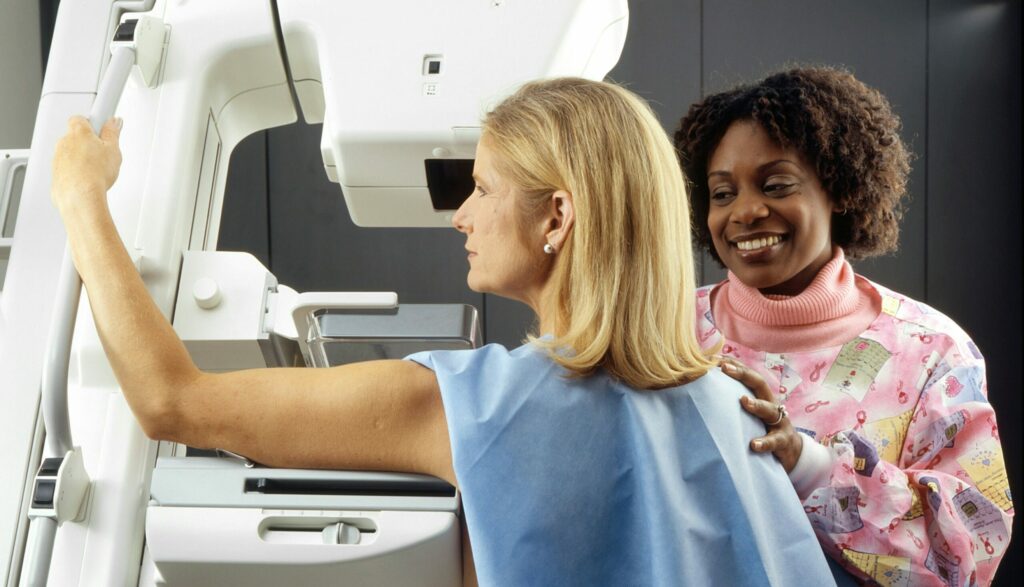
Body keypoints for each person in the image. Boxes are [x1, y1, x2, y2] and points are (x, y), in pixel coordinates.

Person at [51, 78, 834, 586]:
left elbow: (170, 398)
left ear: (557, 215)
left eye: (483, 187)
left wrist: (82, 198)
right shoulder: (734, 404)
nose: (461, 213)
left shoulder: (472, 405)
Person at [674, 66, 1014, 585]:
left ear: (840, 188)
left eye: (776, 184)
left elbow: (967, 557)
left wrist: (808, 466)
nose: (744, 211)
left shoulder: (932, 351)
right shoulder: (666, 331)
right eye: (722, 193)